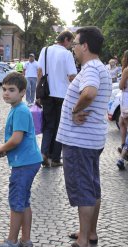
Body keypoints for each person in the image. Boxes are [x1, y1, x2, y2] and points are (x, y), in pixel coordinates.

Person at [55, 26, 112, 247]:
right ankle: (90, 232)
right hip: (90, 139)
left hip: (80, 141)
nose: (75, 48)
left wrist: (74, 110)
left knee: (84, 189)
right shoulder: (100, 67)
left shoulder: (90, 69)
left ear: (85, 46)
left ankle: (82, 243)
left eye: (76, 44)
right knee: (92, 185)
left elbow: (89, 93)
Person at [0, 72, 42, 247]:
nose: (6, 93)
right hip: (29, 161)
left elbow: (17, 139)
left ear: (22, 92)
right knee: (24, 201)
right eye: (4, 89)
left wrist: (3, 148)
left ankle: (12, 242)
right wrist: (6, 150)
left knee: (17, 202)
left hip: (24, 164)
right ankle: (26, 240)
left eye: (11, 90)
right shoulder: (17, 108)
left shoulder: (19, 110)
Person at [37, 31, 77, 167]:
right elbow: (72, 76)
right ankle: (55, 158)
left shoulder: (45, 50)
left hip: (47, 93)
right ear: (66, 39)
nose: (71, 45)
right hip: (62, 95)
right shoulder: (67, 54)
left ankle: (44, 153)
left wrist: (39, 93)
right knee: (60, 126)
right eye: (71, 42)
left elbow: (39, 72)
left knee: (48, 125)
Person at [116, 50, 128, 169]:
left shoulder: (126, 70)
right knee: (121, 122)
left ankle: (123, 155)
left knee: (124, 123)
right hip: (125, 100)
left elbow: (121, 86)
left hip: (126, 100)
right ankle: (123, 147)